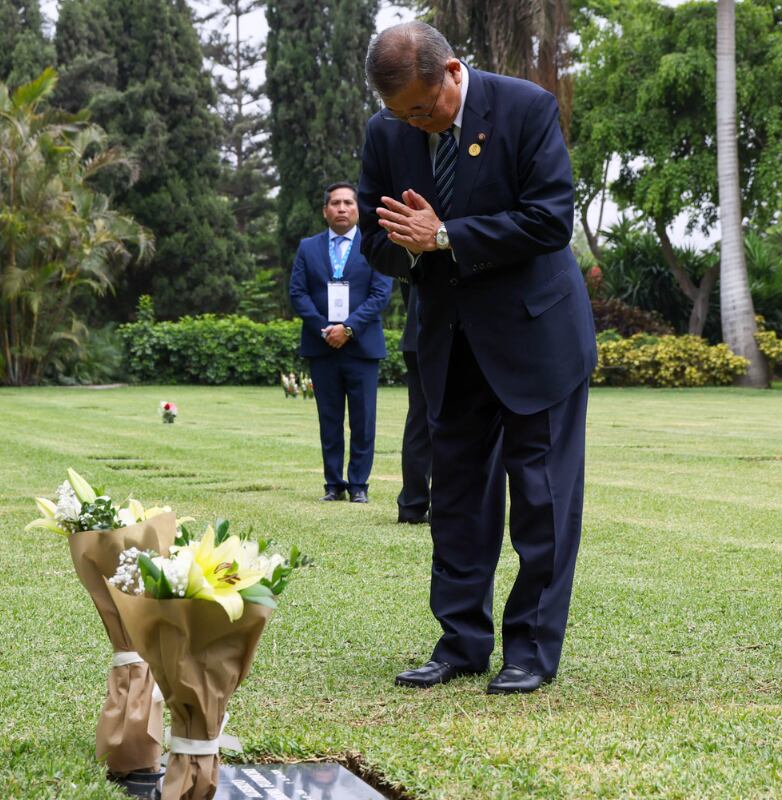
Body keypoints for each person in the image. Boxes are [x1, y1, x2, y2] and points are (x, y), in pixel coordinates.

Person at [357, 22, 597, 694]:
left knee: (542, 503)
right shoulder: (386, 133)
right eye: (401, 113)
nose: (414, 124)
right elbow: (377, 245)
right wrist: (409, 244)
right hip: (450, 343)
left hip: (537, 339)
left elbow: (551, 219)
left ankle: (529, 651)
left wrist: (446, 236)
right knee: (458, 500)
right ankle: (459, 644)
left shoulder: (525, 109)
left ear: (452, 73)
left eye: (422, 109)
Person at [290, 182, 393, 504]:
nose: (342, 208)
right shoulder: (308, 248)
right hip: (322, 347)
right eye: (335, 203)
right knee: (329, 420)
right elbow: (298, 293)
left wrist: (347, 328)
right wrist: (325, 329)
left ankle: (359, 484)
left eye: (349, 203)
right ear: (325, 211)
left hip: (362, 348)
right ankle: (333, 484)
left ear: (358, 210)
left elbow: (380, 294)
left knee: (363, 421)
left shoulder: (376, 244)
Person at [396, 282, 431, 524]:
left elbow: (406, 280)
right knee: (453, 422)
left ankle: (412, 503)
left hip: (415, 333)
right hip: (445, 332)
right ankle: (444, 505)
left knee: (418, 421)